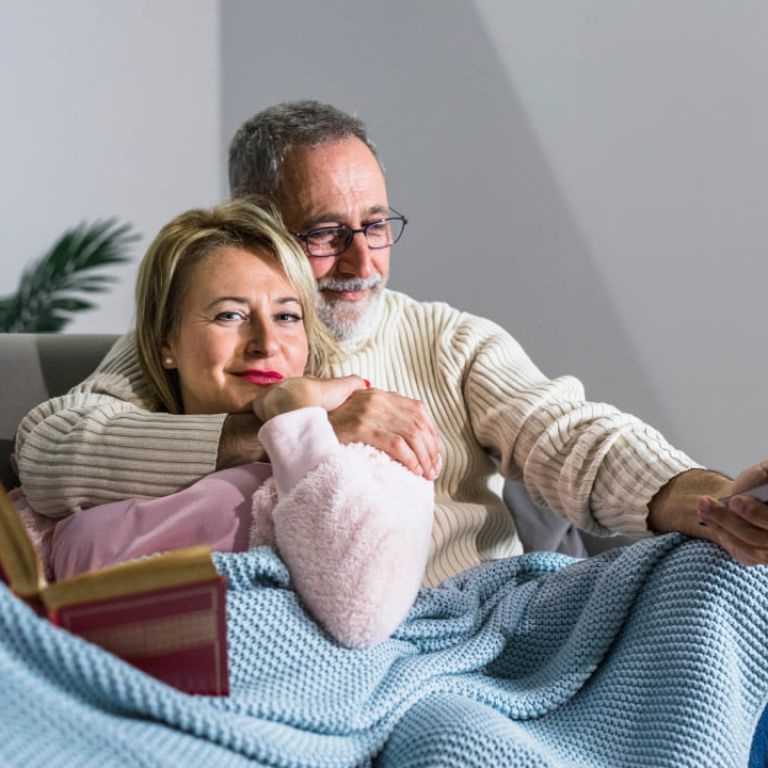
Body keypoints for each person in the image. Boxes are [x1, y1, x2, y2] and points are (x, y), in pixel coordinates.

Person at [15, 101, 768, 587]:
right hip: (336, 643)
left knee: (729, 590)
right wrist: (283, 427)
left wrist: (717, 503)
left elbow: (575, 440)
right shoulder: (201, 341)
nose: (361, 260)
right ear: (259, 229)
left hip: (487, 609)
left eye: (375, 225)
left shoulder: (447, 338)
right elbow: (51, 450)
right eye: (323, 233)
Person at [34, 198, 434, 648]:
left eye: (287, 316)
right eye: (230, 315)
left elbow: (360, 613)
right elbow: (45, 456)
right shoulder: (110, 442)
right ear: (166, 342)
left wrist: (297, 413)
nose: (265, 343)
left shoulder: (365, 452)